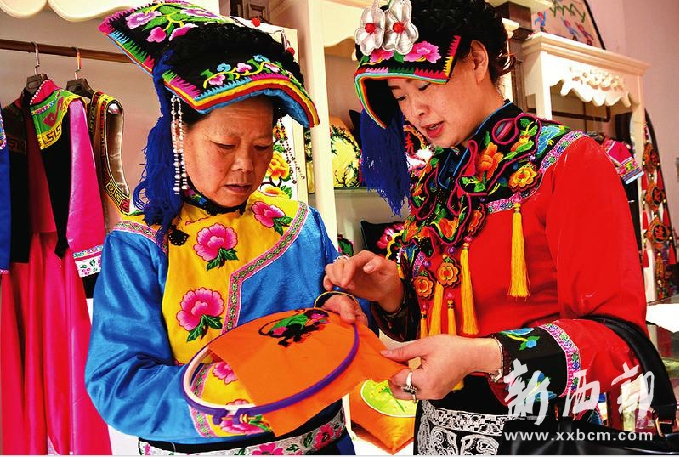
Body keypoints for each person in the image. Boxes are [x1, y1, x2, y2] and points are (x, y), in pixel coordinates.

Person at [323, 0, 648, 454]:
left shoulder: (568, 162)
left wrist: (484, 356)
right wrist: (390, 293)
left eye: (423, 85)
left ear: (477, 60)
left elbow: (620, 340)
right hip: (436, 437)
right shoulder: (434, 177)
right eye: (399, 96)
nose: (414, 111)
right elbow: (431, 321)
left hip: (538, 437)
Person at [85, 2, 369, 454]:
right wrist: (247, 389)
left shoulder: (300, 223)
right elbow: (120, 385)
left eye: (261, 146)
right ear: (179, 134)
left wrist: (342, 307)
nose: (245, 166)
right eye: (224, 144)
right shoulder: (141, 246)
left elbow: (343, 313)